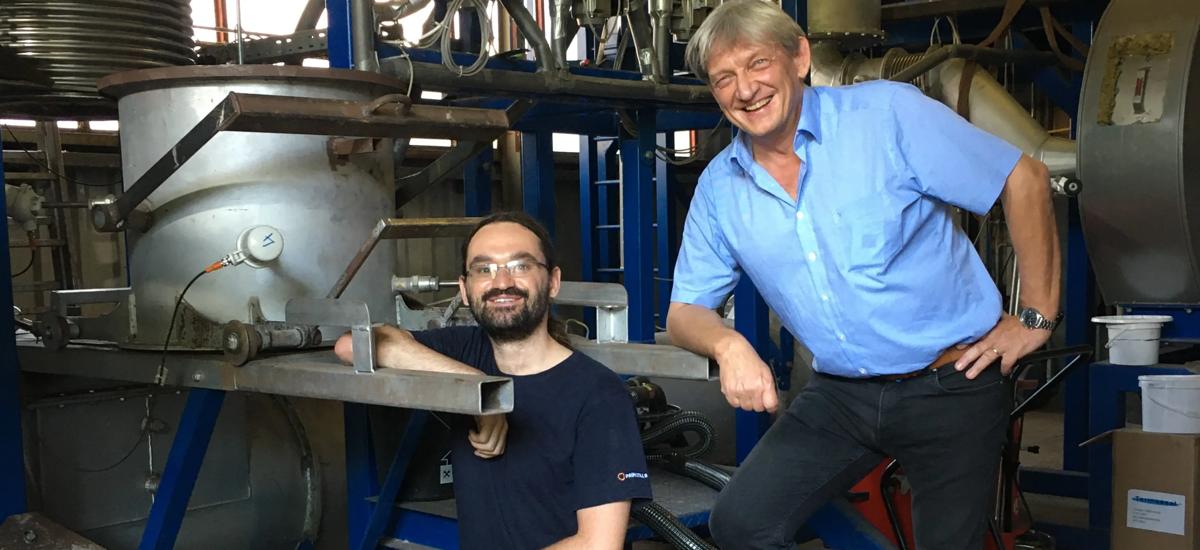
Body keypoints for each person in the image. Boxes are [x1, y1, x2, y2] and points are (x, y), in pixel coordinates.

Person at [666, 1, 1061, 548]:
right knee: (742, 523)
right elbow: (684, 312)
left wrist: (1037, 317)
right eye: (724, 78)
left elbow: (1026, 179)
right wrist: (728, 346)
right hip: (840, 397)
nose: (745, 89)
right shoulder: (719, 187)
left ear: (799, 58)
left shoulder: (886, 116)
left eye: (758, 64)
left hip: (952, 384)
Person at [335, 212, 651, 550]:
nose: (501, 282)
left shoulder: (598, 395)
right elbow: (352, 345)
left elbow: (598, 545)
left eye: (520, 266)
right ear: (465, 290)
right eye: (484, 269)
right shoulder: (465, 353)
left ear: (553, 282)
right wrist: (478, 385)